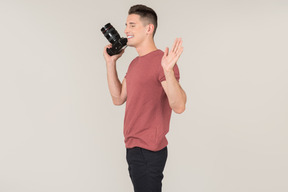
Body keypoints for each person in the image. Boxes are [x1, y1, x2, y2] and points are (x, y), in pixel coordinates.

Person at [103, 4, 187, 192]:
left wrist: (168, 71)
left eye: (132, 25)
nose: (126, 30)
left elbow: (179, 105)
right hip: (133, 147)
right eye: (126, 25)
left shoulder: (162, 61)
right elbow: (118, 98)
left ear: (149, 29)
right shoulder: (134, 63)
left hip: (149, 149)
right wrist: (110, 64)